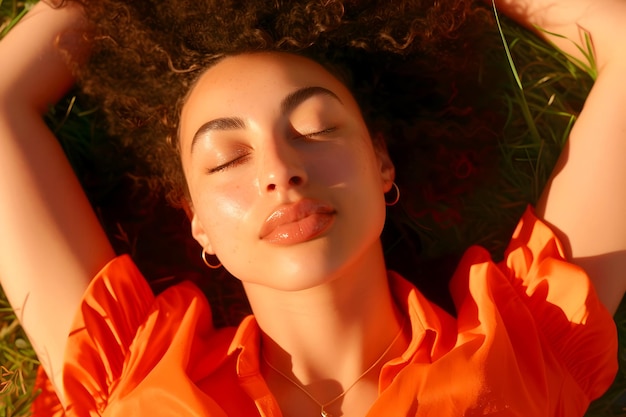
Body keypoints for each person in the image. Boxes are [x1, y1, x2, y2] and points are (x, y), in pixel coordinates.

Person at [0, 0, 623, 416]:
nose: (279, 171)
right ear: (198, 222)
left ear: (382, 163)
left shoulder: (527, 345)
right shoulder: (131, 377)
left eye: (316, 127)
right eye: (226, 159)